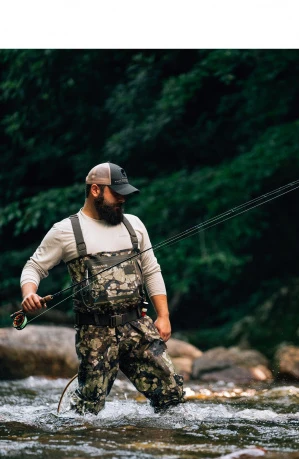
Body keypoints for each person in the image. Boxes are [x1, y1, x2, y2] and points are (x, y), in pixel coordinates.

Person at [20, 162, 185, 415]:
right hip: (94, 333)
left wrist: (163, 316)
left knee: (172, 395)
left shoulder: (134, 225)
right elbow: (34, 267)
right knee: (89, 411)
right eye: (116, 194)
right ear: (95, 190)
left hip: (138, 326)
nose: (122, 200)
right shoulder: (65, 231)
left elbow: (152, 270)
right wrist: (29, 293)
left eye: (124, 195)